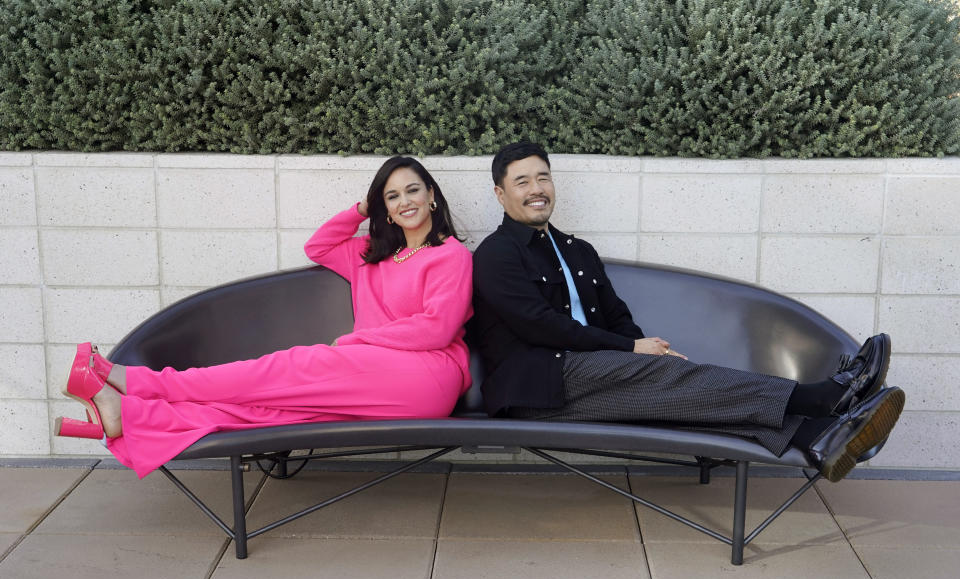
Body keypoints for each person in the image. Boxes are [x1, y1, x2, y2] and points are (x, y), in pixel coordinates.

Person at [471, 141, 904, 482]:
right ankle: (821, 397)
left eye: (542, 178)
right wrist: (632, 350)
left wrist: (643, 351)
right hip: (537, 385)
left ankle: (817, 439)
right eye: (522, 181)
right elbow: (540, 326)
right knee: (669, 379)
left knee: (687, 395)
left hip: (595, 375)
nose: (536, 190)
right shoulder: (496, 254)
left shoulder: (578, 250)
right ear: (501, 193)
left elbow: (617, 315)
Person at [57, 156, 474, 478]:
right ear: (382, 207)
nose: (405, 202)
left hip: (426, 377)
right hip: (368, 374)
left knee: (285, 367)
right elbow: (320, 246)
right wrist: (362, 205)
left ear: (432, 195)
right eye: (393, 195)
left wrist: (356, 342)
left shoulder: (449, 254)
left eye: (413, 190)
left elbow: (436, 328)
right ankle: (126, 416)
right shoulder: (371, 255)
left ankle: (137, 381)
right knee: (266, 411)